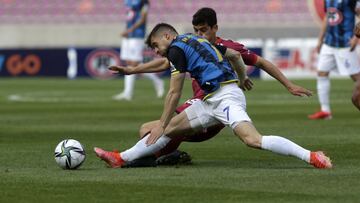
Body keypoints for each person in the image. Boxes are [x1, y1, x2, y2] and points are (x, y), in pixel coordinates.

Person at [94, 23, 332, 169]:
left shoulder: (177, 48)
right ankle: (119, 158)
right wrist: (241, 78)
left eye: (156, 45)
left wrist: (162, 122)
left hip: (225, 98)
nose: (156, 51)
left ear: (167, 36)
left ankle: (312, 156)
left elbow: (174, 92)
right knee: (166, 131)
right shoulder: (195, 40)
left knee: (252, 140)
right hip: (211, 99)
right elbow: (235, 56)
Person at [308, 0, 360, 119]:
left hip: (345, 43)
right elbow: (328, 17)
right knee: (322, 73)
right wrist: (320, 39)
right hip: (329, 43)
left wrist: (355, 38)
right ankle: (325, 111)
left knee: (356, 77)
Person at [113, 0, 164, 101]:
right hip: (129, 34)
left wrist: (129, 30)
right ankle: (128, 92)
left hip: (137, 34)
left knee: (133, 64)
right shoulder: (128, 1)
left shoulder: (143, 2)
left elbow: (142, 18)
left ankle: (156, 82)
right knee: (129, 63)